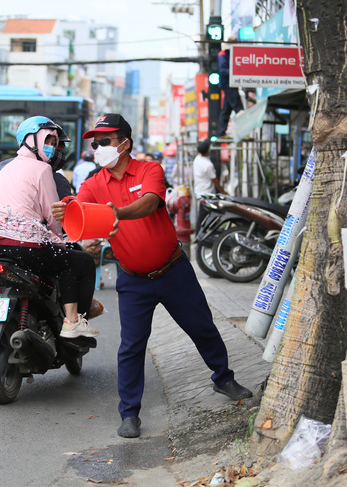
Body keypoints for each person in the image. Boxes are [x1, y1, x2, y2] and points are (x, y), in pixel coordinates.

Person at [51, 113, 252, 439]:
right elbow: (79, 207)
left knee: (201, 326)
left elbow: (150, 203)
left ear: (125, 143)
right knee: (131, 346)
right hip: (132, 280)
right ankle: (129, 413)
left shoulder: (149, 170)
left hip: (174, 271)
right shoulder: (93, 183)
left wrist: (117, 212)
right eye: (94, 142)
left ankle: (224, 379)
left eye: (105, 141)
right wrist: (68, 208)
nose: (97, 147)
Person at [0, 116, 97, 385]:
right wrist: (59, 238)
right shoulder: (44, 172)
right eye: (49, 141)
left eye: (54, 142)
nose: (52, 147)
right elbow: (53, 218)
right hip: (28, 246)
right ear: (33, 140)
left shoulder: (3, 170)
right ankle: (73, 321)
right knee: (75, 263)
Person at [193, 138, 226, 226]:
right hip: (207, 194)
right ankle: (199, 235)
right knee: (205, 216)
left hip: (200, 191)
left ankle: (201, 234)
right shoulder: (208, 165)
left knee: (204, 215)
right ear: (208, 151)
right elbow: (214, 180)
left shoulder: (197, 159)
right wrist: (222, 190)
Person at [217, 36, 244, 138]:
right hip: (228, 84)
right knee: (238, 108)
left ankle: (221, 132)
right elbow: (223, 71)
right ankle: (242, 132)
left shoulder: (233, 54)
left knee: (226, 109)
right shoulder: (223, 54)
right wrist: (236, 72)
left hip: (233, 83)